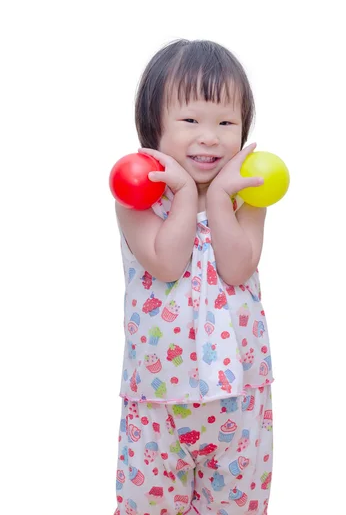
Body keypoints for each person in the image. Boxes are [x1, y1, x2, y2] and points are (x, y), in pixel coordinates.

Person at [113, 39, 274, 515]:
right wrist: (184, 194)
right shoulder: (138, 194)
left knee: (238, 506)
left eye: (226, 123)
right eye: (191, 121)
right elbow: (166, 262)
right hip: (159, 398)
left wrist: (221, 199)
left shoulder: (247, 194)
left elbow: (237, 266)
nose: (210, 137)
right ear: (152, 129)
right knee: (149, 506)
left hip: (240, 397)